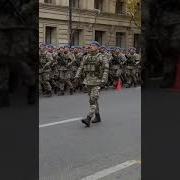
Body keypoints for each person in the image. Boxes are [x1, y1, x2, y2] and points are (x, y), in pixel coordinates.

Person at [75, 41, 109, 127]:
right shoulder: (86, 57)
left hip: (97, 81)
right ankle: (98, 117)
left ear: (98, 47)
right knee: (92, 100)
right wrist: (77, 75)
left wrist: (104, 79)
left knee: (93, 99)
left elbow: (106, 69)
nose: (90, 47)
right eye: (90, 45)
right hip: (88, 81)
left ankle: (88, 118)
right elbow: (81, 67)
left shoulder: (102, 57)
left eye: (93, 45)